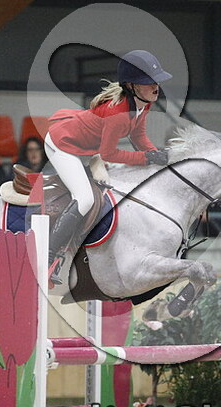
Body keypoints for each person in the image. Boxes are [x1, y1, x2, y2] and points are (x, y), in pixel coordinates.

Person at [44, 49, 172, 283]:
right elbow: (109, 154)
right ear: (132, 86)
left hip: (88, 148)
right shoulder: (118, 114)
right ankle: (48, 256)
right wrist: (146, 158)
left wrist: (155, 154)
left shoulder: (143, 103)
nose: (156, 87)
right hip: (63, 144)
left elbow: (138, 136)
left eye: (156, 81)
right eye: (149, 82)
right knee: (85, 199)